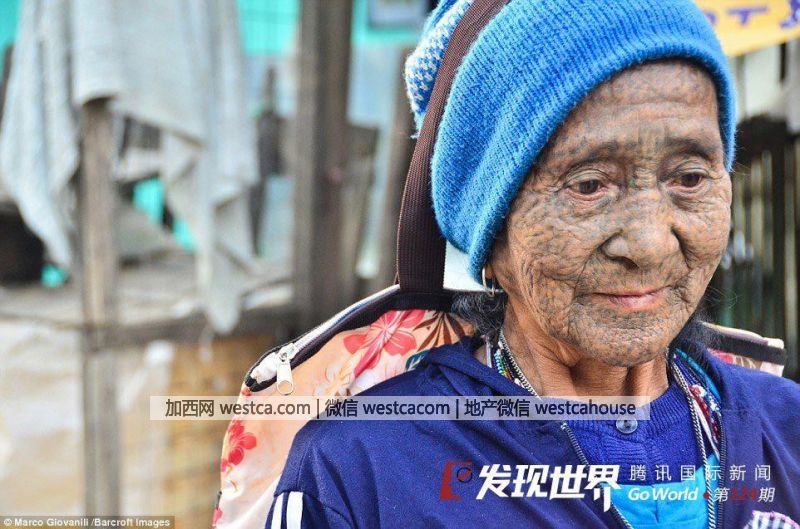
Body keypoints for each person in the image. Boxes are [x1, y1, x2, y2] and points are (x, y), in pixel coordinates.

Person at [266, 0, 800, 527]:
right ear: (489, 229)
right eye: (589, 185)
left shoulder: (786, 428)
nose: (650, 244)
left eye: (689, 178)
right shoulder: (364, 472)